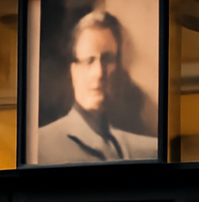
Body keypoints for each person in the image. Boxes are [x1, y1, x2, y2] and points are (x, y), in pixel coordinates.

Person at [36, 10, 156, 163]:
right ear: (73, 70)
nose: (99, 73)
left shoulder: (146, 149)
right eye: (89, 60)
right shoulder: (41, 144)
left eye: (107, 59)